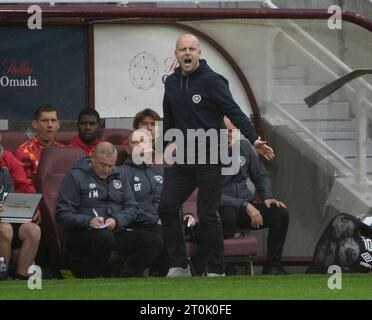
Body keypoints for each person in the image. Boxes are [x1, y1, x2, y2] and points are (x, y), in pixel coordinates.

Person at [158, 33, 275, 277]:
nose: (187, 53)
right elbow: (169, 119)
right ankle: (179, 265)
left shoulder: (212, 81)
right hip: (184, 158)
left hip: (212, 156)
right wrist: (165, 149)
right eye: (182, 49)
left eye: (192, 49)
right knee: (167, 207)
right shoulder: (170, 83)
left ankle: (215, 268)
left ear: (199, 53)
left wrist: (254, 139)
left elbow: (235, 112)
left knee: (207, 212)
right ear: (176, 55)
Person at [56, 141, 163, 278]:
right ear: (92, 159)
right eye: (102, 165)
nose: (107, 170)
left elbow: (132, 207)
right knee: (104, 237)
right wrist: (89, 221)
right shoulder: (75, 176)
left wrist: (116, 220)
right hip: (81, 232)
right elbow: (62, 214)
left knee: (154, 240)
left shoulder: (119, 175)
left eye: (111, 166)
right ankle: (91, 277)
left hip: (113, 230)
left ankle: (125, 277)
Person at [208, 117, 289, 275]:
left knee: (280, 213)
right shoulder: (207, 153)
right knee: (228, 215)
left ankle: (272, 266)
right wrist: (245, 206)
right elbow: (210, 193)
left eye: (232, 130)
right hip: (222, 207)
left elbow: (260, 175)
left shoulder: (244, 146)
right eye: (224, 131)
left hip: (246, 206)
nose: (229, 134)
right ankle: (224, 266)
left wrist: (267, 196)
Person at [0, 166, 41, 280]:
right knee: (5, 229)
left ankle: (21, 276)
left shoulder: (4, 173)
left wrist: (26, 210)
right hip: (4, 226)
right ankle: (2, 274)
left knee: (33, 230)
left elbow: (10, 198)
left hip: (7, 219)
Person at [16, 104, 64, 187]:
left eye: (53, 120)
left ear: (58, 125)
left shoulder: (64, 151)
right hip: (37, 198)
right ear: (35, 124)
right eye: (45, 120)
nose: (50, 125)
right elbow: (25, 186)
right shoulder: (24, 151)